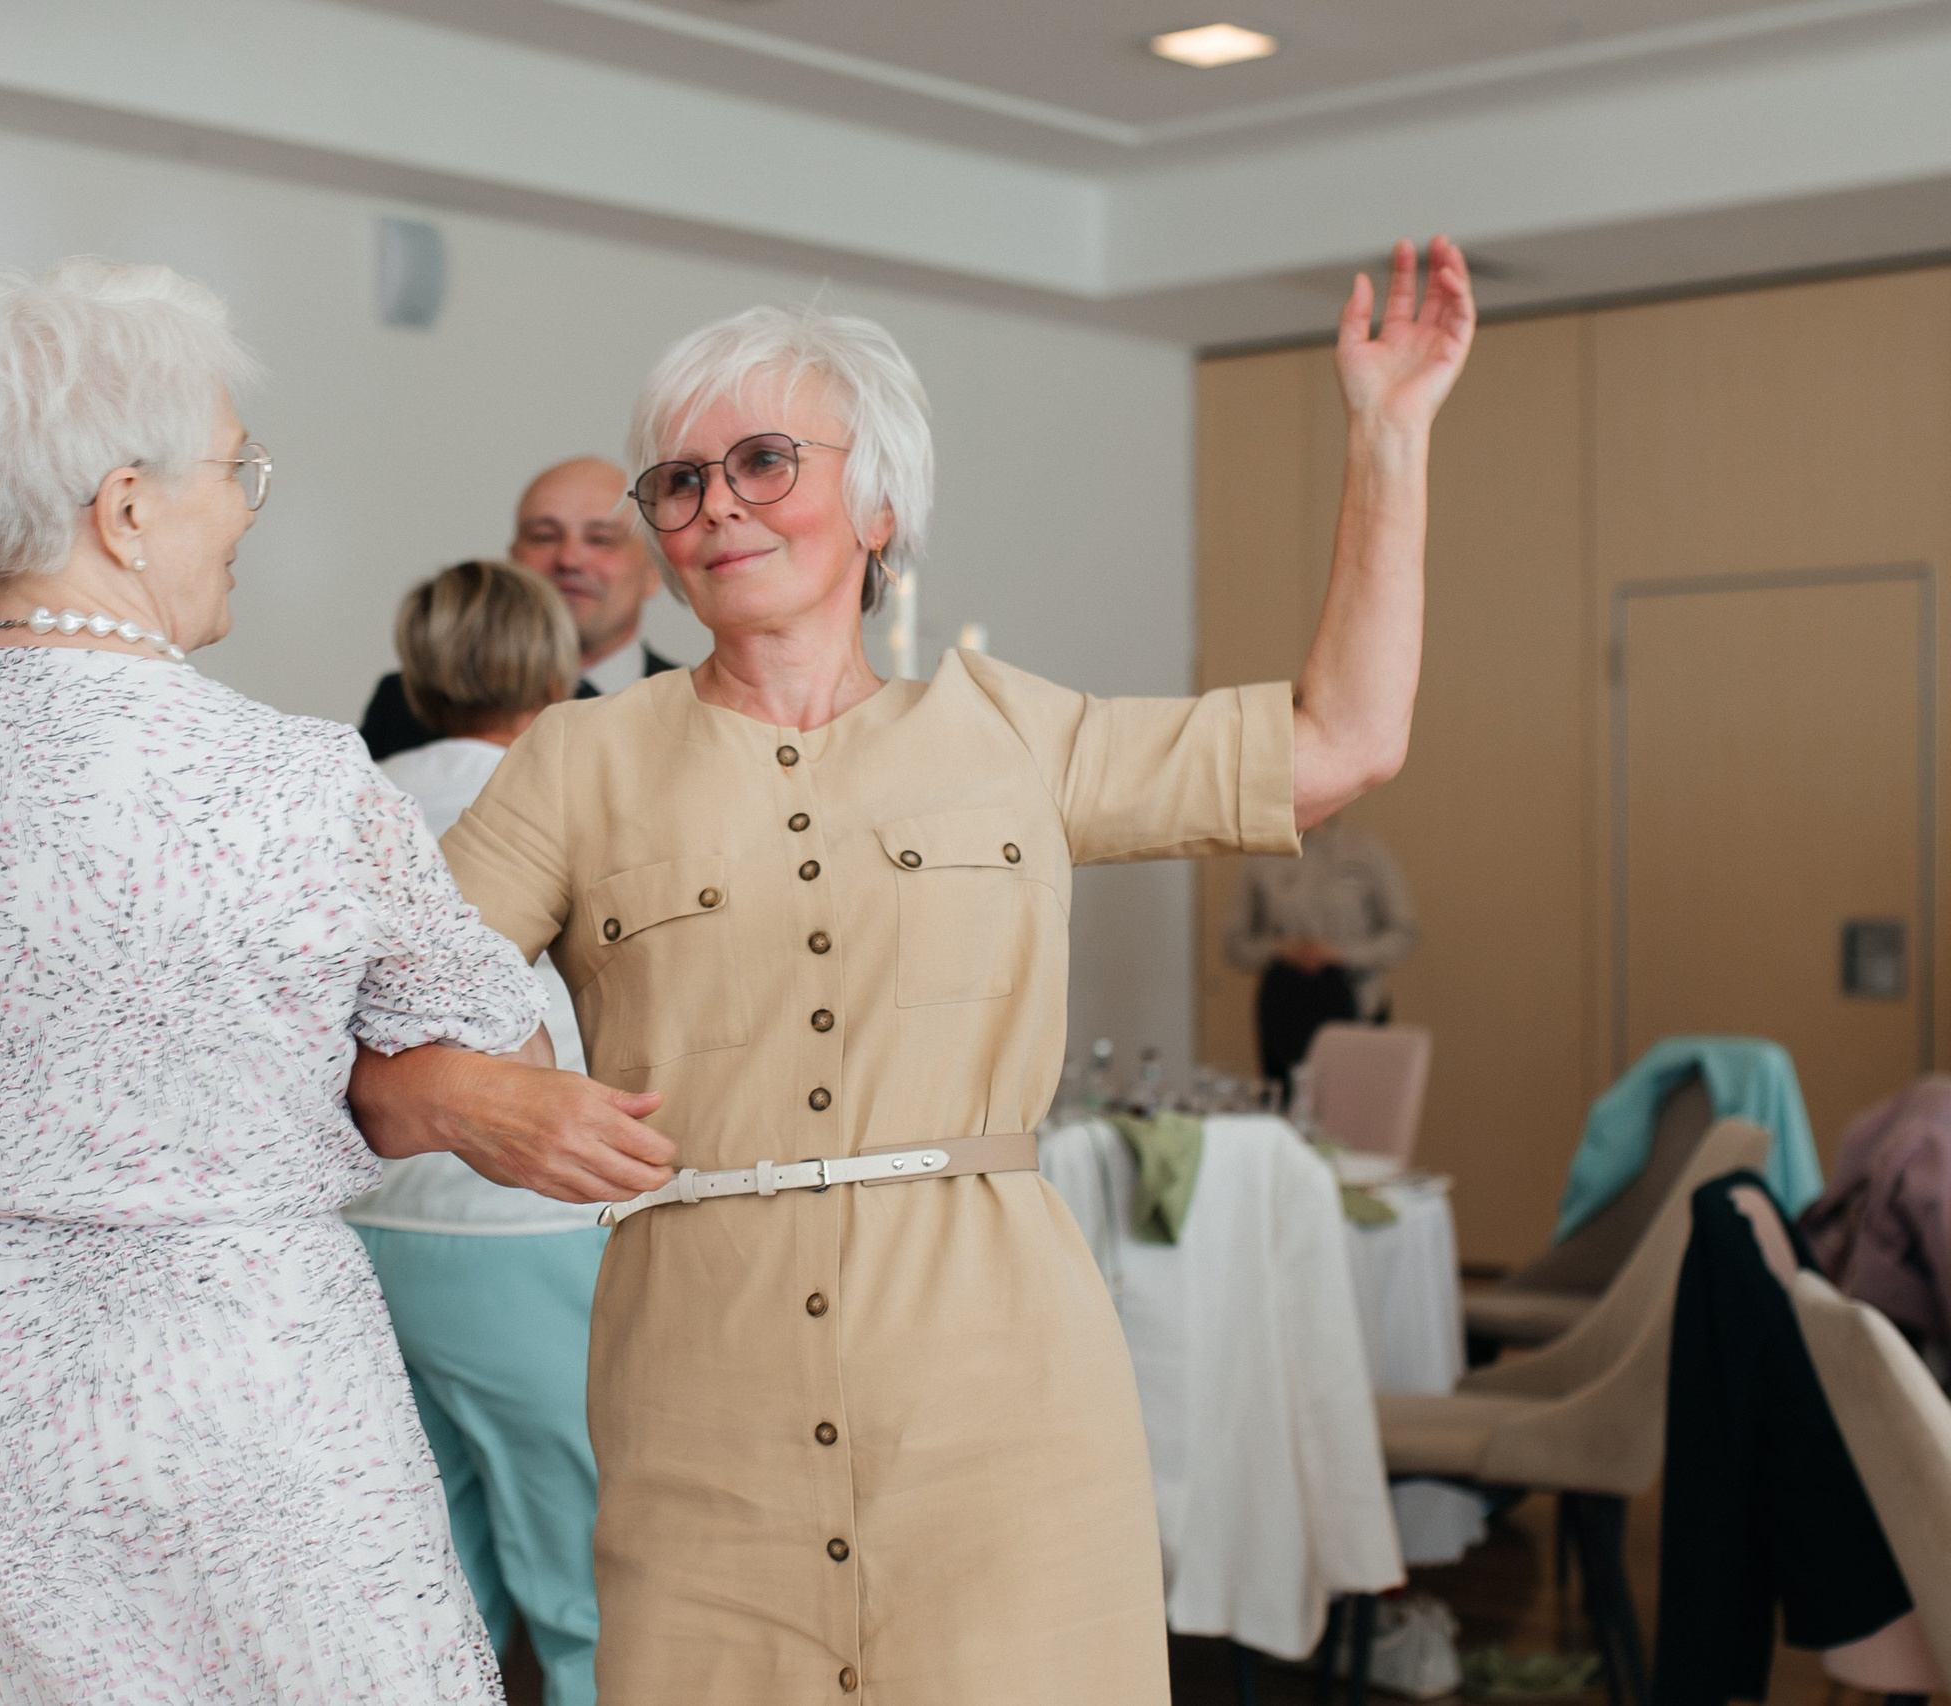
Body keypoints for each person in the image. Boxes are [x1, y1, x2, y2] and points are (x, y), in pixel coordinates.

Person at [348, 237, 1476, 1703]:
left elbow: (1343, 739)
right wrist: (476, 1097)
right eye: (680, 482)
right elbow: (362, 1048)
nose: (718, 506)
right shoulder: (579, 760)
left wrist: (1391, 439)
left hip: (1003, 1414)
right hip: (703, 1422)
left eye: (764, 459)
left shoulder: (1016, 735)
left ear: (880, 501)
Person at [0, 260, 670, 1705]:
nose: (244, 504)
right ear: (124, 507)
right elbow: (500, 1042)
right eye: (237, 470)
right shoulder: (297, 781)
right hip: (244, 1392)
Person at [343, 559, 608, 1706]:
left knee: (431, 1588)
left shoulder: (356, 798)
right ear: (559, 669)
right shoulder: (572, 800)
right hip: (521, 1234)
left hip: (370, 1235)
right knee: (590, 1582)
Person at [360, 458, 679, 762]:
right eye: (544, 536)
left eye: (600, 539)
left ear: (655, 568)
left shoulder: (695, 705)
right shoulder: (407, 702)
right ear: (513, 560)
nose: (569, 559)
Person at [1223, 812, 1420, 1087]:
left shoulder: (1364, 851)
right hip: (1286, 1007)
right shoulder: (1263, 859)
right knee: (1288, 1106)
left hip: (1355, 1001)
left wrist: (1342, 953)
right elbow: (1235, 944)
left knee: (1353, 1105)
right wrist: (1279, 949)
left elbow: (1403, 932)